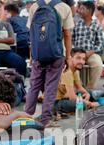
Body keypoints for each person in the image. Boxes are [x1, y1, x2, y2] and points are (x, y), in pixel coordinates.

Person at [24, 0, 74, 128]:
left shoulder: (35, 6)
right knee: (51, 87)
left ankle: (26, 117)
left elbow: (32, 34)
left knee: (34, 85)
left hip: (38, 54)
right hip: (56, 53)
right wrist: (68, 56)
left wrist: (32, 55)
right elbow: (67, 34)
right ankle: (45, 119)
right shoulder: (64, 7)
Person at [53, 48, 99, 119]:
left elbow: (79, 88)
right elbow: (72, 97)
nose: (81, 61)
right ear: (71, 58)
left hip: (65, 98)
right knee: (82, 105)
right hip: (55, 103)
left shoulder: (75, 70)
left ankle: (87, 105)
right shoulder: (67, 72)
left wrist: (87, 94)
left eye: (83, 59)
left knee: (90, 93)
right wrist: (90, 103)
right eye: (78, 58)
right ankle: (59, 110)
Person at [72, 1, 104, 89]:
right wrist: (75, 52)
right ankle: (76, 88)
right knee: (70, 63)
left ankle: (89, 89)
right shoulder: (77, 24)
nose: (79, 10)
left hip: (91, 53)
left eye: (82, 9)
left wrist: (91, 52)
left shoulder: (97, 26)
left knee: (97, 64)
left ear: (90, 11)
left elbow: (100, 44)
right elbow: (71, 40)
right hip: (77, 53)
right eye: (80, 8)